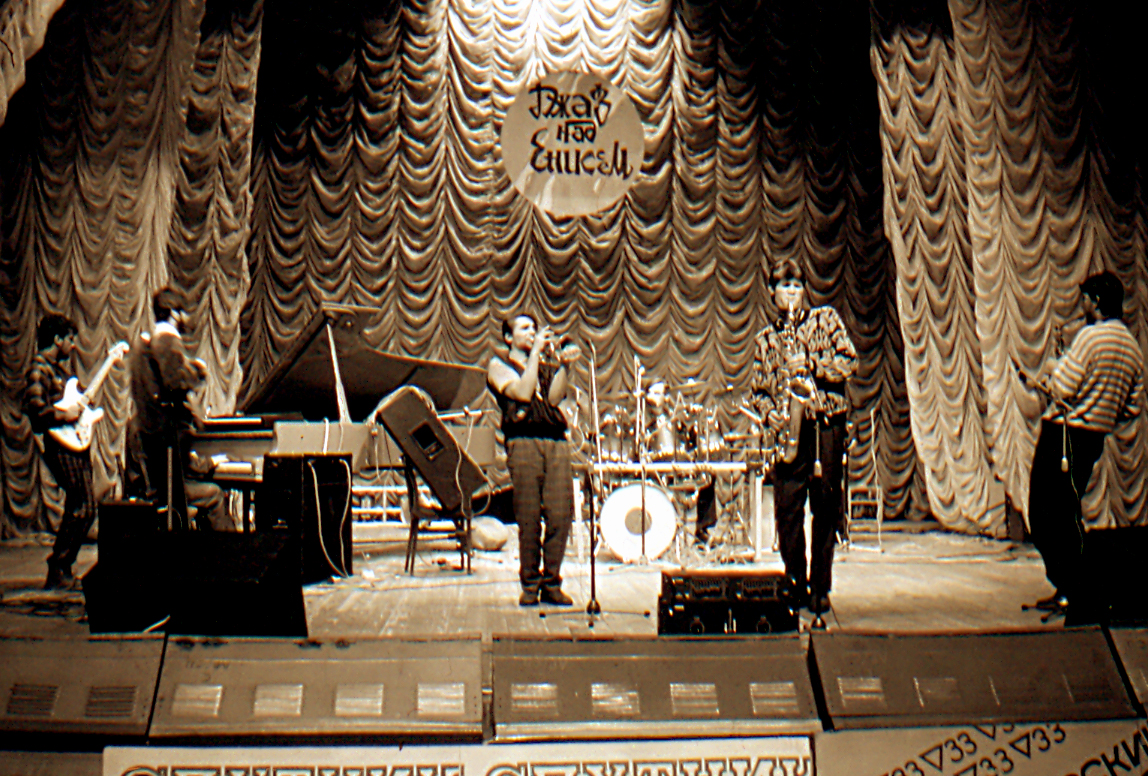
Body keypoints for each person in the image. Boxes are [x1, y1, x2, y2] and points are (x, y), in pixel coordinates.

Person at [1027, 271, 1144, 616]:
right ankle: (1072, 588)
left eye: (1085, 300)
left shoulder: (1090, 337)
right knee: (1068, 513)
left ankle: (1072, 588)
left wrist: (1054, 367)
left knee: (1045, 515)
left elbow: (1061, 389)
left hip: (1063, 435)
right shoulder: (1133, 347)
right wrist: (1100, 415)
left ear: (1095, 301)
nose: (1082, 306)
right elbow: (1132, 408)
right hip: (1092, 438)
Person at [752, 261, 858, 620]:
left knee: (825, 508)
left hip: (826, 424)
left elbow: (850, 361)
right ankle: (795, 579)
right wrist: (772, 415)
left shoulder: (825, 320)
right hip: (790, 430)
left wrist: (812, 364)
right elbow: (758, 391)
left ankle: (821, 587)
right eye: (785, 286)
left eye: (797, 286)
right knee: (787, 511)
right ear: (772, 292)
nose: (792, 293)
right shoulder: (765, 340)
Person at [487, 313, 581, 606]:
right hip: (524, 441)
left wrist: (564, 366)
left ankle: (551, 582)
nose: (532, 332)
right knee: (528, 517)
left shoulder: (542, 365)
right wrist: (538, 351)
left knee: (560, 515)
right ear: (508, 337)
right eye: (525, 328)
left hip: (556, 442)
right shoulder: (498, 365)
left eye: (534, 329)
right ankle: (530, 585)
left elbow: (553, 399)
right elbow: (523, 393)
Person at [125, 287, 227, 531]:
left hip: (155, 480)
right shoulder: (167, 341)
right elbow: (176, 381)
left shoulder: (143, 347)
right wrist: (197, 371)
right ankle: (230, 552)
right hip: (169, 482)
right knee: (214, 493)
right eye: (184, 312)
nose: (188, 318)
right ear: (174, 313)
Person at [23, 315, 97, 589]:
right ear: (57, 339)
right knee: (82, 507)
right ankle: (59, 567)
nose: (73, 345)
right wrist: (65, 416)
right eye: (70, 339)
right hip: (61, 447)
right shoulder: (38, 369)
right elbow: (35, 410)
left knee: (83, 507)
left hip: (73, 445)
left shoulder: (58, 371)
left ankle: (61, 567)